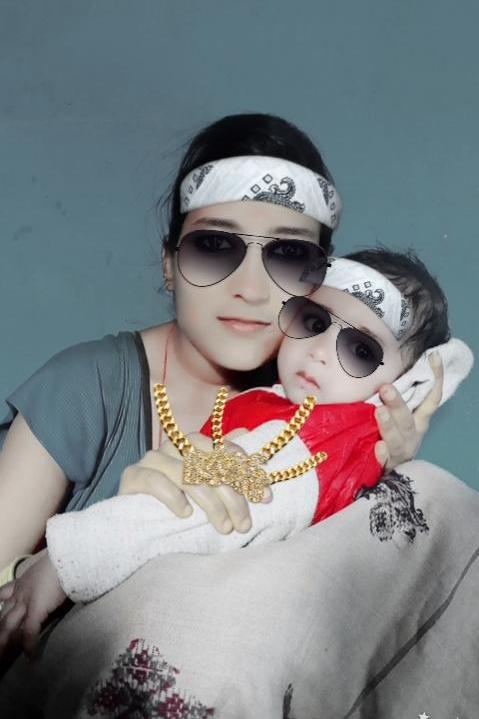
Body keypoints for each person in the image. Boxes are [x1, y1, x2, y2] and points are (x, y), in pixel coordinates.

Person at [0, 114, 443, 658]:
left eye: (289, 255)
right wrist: (99, 535)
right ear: (169, 263)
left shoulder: (322, 405)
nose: (251, 289)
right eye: (214, 245)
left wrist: (384, 472)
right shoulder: (86, 388)